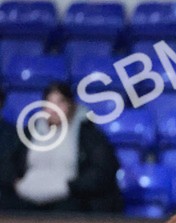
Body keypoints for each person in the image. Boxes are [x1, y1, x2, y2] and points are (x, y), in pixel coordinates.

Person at [5, 80, 123, 214]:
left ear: (71, 105)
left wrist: (72, 187)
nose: (54, 109)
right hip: (27, 198)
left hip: (73, 200)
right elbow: (10, 163)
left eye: (60, 102)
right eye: (49, 103)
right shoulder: (29, 133)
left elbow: (102, 170)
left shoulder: (89, 134)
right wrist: (16, 183)